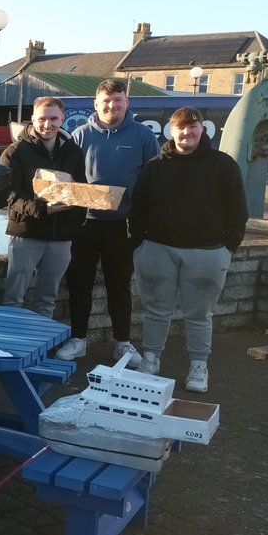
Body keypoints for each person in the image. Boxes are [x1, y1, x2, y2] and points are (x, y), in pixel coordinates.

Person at [129, 106, 248, 392]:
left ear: (202, 129)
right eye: (181, 126)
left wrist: (227, 248)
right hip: (157, 249)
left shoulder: (223, 165)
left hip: (207, 253)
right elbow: (138, 209)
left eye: (193, 126)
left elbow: (237, 210)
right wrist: (139, 244)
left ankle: (198, 367)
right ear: (172, 130)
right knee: (156, 311)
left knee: (199, 315)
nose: (187, 131)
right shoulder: (155, 166)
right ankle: (151, 359)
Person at [56, 79, 159, 364]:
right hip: (84, 223)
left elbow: (153, 179)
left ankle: (123, 343)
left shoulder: (142, 135)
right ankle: (78, 339)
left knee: (119, 285)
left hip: (123, 225)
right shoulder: (79, 135)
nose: (112, 106)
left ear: (127, 102)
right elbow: (68, 179)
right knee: (79, 284)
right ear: (96, 104)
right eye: (106, 101)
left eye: (118, 100)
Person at [0, 97, 86, 317]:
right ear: (33, 119)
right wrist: (42, 209)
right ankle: (10, 347)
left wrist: (76, 211)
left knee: (48, 299)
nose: (47, 124)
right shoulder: (14, 152)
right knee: (13, 298)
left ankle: (40, 348)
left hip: (61, 235)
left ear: (62, 118)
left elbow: (81, 187)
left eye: (53, 118)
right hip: (26, 233)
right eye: (42, 119)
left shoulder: (73, 151)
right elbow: (9, 194)